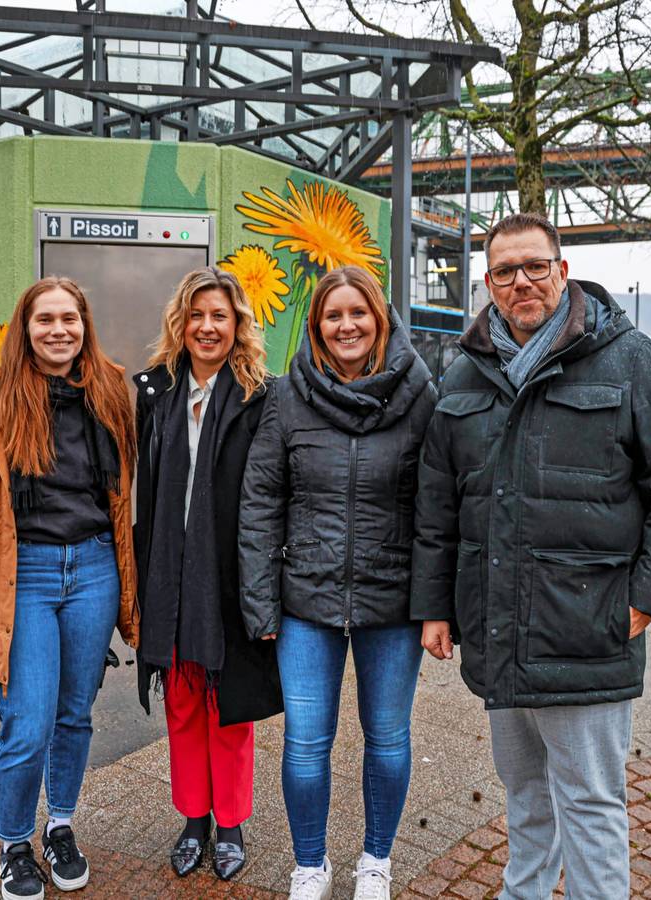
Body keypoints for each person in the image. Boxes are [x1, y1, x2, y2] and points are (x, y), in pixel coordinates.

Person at [411, 213, 651, 900]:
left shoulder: (629, 360)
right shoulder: (464, 376)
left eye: (535, 266)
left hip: (589, 633)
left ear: (562, 270)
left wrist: (645, 600)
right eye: (506, 271)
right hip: (500, 635)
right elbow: (437, 506)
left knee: (591, 804)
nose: (522, 282)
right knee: (525, 798)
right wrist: (433, 606)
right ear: (488, 283)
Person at [0, 276, 137, 900]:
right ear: (24, 328)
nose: (59, 330)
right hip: (24, 577)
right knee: (26, 721)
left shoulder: (109, 391)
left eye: (69, 319)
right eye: (45, 319)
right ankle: (15, 842)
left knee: (75, 715)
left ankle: (62, 826)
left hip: (95, 568)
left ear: (84, 324)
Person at [239, 266, 438, 900]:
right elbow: (261, 499)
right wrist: (261, 599)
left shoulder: (420, 395)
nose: (346, 325)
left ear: (380, 318)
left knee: (386, 739)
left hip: (393, 601)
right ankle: (311, 864)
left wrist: (435, 604)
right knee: (304, 742)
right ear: (317, 326)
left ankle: (375, 861)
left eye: (358, 313)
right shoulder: (287, 396)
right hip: (307, 601)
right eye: (333, 315)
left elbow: (438, 507)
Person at [133, 267, 282, 881]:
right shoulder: (156, 392)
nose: (207, 326)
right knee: (183, 703)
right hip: (169, 574)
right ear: (181, 323)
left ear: (238, 324)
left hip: (229, 576)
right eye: (197, 315)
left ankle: (231, 824)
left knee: (231, 705)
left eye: (219, 315)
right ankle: (193, 819)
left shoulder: (260, 394)